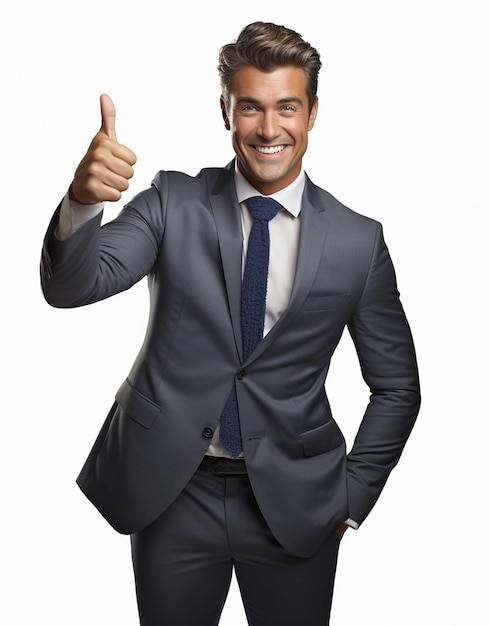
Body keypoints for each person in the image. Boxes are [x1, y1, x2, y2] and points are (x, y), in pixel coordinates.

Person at [41, 21, 420, 626]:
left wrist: (350, 501)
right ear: (226, 111)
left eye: (286, 107)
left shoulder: (358, 242)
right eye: (250, 107)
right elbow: (72, 286)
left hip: (296, 507)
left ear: (313, 113)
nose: (269, 129)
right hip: (173, 494)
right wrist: (83, 202)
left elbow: (398, 387)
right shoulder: (172, 201)